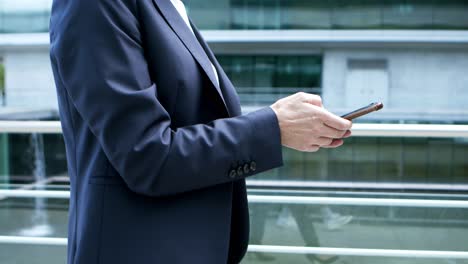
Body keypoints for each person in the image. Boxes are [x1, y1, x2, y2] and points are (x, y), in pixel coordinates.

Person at [49, 0, 352, 263]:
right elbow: (146, 154)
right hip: (138, 250)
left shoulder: (167, 6)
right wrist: (273, 127)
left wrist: (277, 126)